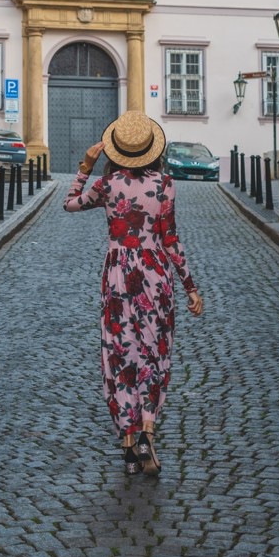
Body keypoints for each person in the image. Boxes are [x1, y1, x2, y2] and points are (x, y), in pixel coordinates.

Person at [63, 110, 203, 475]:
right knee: (154, 352)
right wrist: (189, 285)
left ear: (116, 151)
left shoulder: (107, 186)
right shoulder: (166, 184)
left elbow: (70, 203)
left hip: (118, 276)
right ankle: (148, 432)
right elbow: (171, 239)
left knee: (120, 352)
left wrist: (85, 165)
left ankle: (128, 442)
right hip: (155, 274)